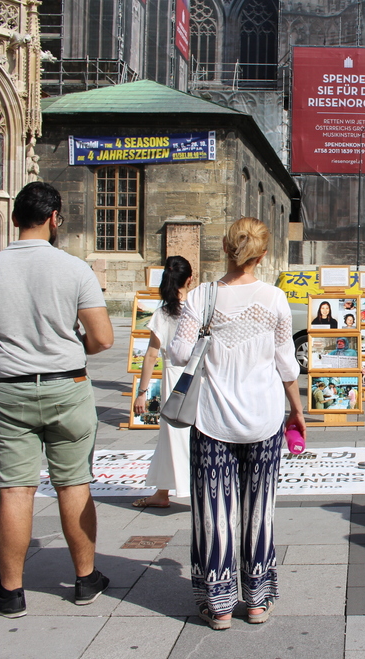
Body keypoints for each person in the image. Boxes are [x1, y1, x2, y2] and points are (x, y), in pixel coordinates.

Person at [0, 182, 114, 617]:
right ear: (54, 218)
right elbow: (102, 338)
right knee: (73, 483)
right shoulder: (74, 269)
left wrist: (6, 345)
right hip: (67, 386)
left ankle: (10, 591)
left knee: (15, 489)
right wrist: (67, 343)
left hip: (12, 389)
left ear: (15, 218)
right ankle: (85, 579)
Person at [169, 217, 303, 629]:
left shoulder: (201, 297)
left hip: (212, 420)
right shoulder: (275, 298)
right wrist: (297, 410)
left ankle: (220, 605)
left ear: (226, 248)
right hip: (264, 418)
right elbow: (286, 364)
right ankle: (257, 601)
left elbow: (178, 354)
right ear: (262, 255)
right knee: (260, 510)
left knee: (215, 513)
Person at [132, 256, 194, 509]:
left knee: (173, 434)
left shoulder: (163, 313)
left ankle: (169, 490)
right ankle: (164, 491)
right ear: (190, 279)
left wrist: (142, 391)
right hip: (197, 376)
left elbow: (151, 354)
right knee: (180, 435)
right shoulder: (197, 309)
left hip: (173, 378)